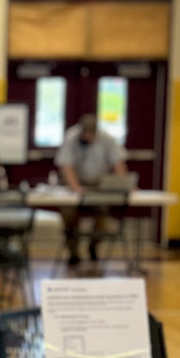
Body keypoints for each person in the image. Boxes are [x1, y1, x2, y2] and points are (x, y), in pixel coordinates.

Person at [55, 113, 128, 267]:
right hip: (74, 183)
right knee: (69, 216)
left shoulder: (107, 139)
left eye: (91, 134)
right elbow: (66, 166)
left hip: (97, 184)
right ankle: (73, 253)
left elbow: (118, 162)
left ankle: (93, 247)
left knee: (103, 219)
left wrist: (123, 183)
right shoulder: (71, 137)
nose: (88, 137)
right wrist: (76, 188)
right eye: (85, 134)